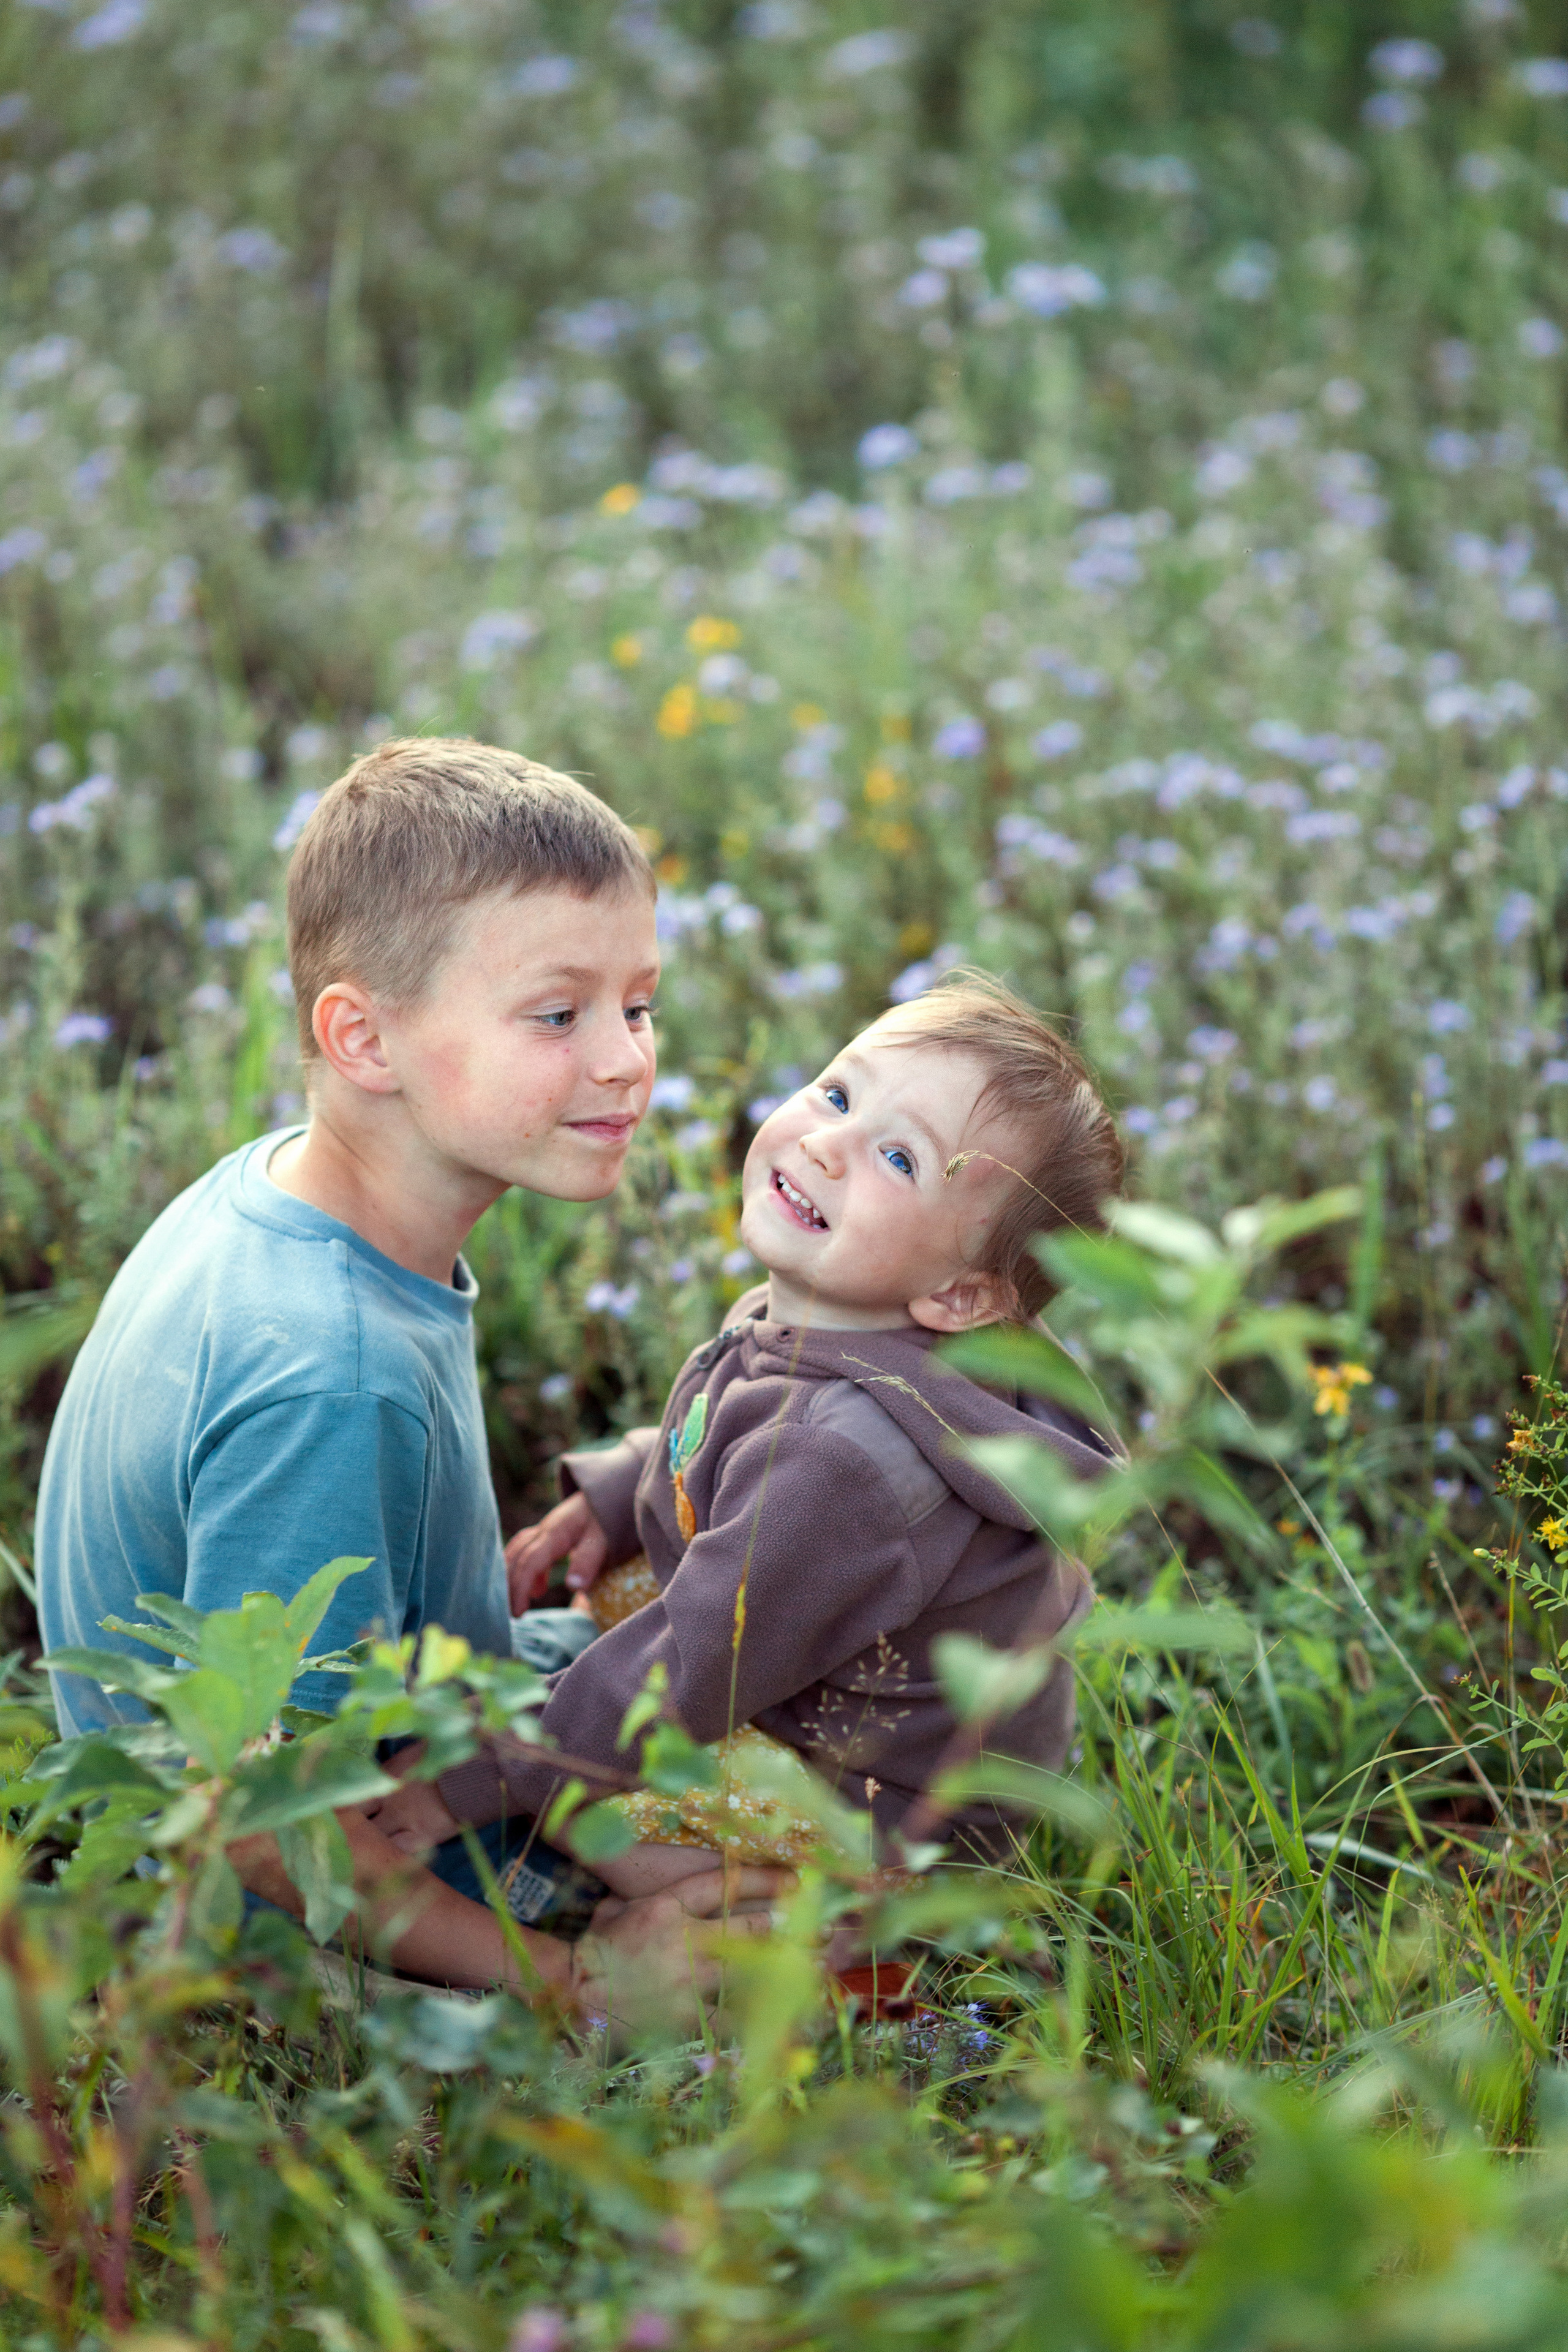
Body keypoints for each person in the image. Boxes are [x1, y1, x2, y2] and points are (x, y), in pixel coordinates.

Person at [34, 737, 782, 2019]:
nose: (623, 1060)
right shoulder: (333, 1373)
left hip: (386, 1744)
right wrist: (573, 1982)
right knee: (808, 1878)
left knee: (687, 1595)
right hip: (292, 1910)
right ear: (363, 1036)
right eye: (557, 1015)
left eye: (636, 1005)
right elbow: (262, 1821)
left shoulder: (289, 1189)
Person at [365, 971, 1124, 1923]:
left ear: (963, 1296)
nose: (828, 1143)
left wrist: (471, 1784)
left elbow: (687, 1665)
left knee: (574, 1785)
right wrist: (614, 1490)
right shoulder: (833, 1315)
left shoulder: (841, 1466)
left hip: (875, 1811)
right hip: (795, 1661)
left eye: (898, 1159)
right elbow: (726, 1418)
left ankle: (772, 1939)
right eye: (841, 1095)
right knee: (558, 1663)